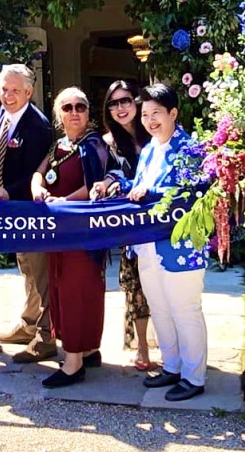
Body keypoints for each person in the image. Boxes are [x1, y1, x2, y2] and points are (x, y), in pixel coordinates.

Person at [113, 83, 208, 402]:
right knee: (161, 309)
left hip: (179, 246)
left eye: (157, 113)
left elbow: (193, 193)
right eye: (145, 114)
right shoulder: (150, 148)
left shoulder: (190, 149)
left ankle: (194, 377)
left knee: (185, 310)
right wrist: (115, 184)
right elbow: (140, 187)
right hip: (146, 244)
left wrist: (151, 195)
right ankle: (172, 367)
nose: (150, 120)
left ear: (173, 113)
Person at [31, 87, 108, 388]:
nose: (74, 112)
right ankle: (87, 350)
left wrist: (64, 202)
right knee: (63, 290)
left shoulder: (95, 144)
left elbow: (95, 185)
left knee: (78, 292)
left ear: (88, 113)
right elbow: (39, 173)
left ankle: (73, 363)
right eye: (67, 107)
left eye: (80, 106)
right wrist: (37, 188)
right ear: (58, 114)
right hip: (58, 232)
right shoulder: (58, 146)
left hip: (82, 234)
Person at [0, 64, 57, 363]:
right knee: (27, 268)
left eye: (15, 90)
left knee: (40, 272)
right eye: (4, 89)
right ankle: (28, 324)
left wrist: (10, 190)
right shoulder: (1, 117)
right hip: (11, 210)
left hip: (29, 210)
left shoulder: (37, 125)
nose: (7, 95)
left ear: (29, 92)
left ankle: (45, 338)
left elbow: (37, 171)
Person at [95, 81, 156, 371]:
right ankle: (142, 348)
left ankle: (173, 346)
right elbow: (108, 177)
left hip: (162, 221)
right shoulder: (107, 143)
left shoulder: (155, 132)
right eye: (113, 103)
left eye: (125, 101)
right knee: (135, 287)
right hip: (131, 227)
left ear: (137, 102)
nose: (120, 108)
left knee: (165, 288)